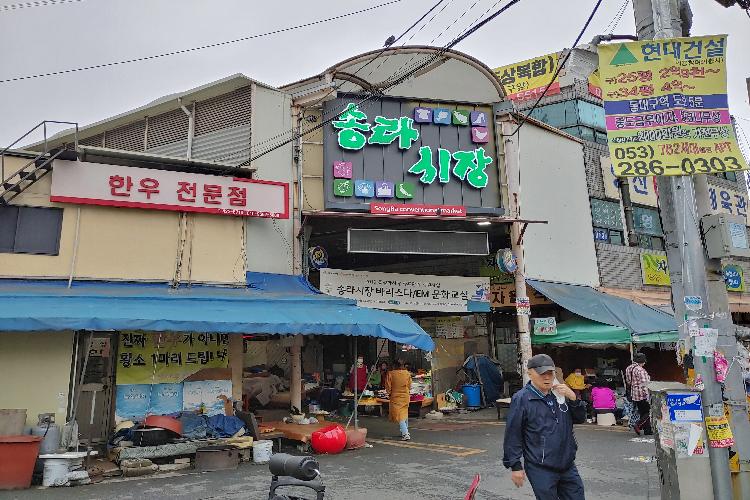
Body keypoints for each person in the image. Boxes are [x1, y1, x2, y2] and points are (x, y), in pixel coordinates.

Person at [503, 354, 587, 500]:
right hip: (540, 467)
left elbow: (580, 419)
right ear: (530, 373)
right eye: (542, 374)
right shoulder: (522, 398)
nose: (547, 377)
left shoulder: (560, 394)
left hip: (567, 465)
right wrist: (515, 466)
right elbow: (513, 433)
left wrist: (573, 398)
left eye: (550, 373)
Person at [625, 352, 652, 435]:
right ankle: (638, 424)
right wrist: (648, 396)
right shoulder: (640, 370)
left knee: (642, 412)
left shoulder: (629, 368)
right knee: (649, 411)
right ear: (642, 361)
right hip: (642, 394)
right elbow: (645, 384)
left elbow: (628, 381)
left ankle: (647, 430)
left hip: (634, 394)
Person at [385, 359, 412, 441]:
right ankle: (405, 430)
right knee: (404, 413)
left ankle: (405, 433)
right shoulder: (407, 373)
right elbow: (409, 385)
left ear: (394, 365)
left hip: (395, 397)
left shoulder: (391, 373)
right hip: (405, 396)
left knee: (399, 415)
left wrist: (389, 393)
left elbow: (388, 386)